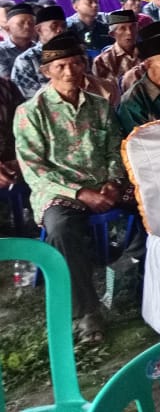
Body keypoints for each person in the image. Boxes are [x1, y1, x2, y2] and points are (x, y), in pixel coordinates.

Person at [15, 35, 143, 343]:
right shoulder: (31, 112)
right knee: (61, 227)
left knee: (149, 204)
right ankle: (86, 312)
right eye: (61, 66)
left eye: (76, 63)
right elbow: (36, 169)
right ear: (47, 71)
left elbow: (115, 150)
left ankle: (137, 278)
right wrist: (80, 193)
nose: (71, 71)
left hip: (104, 185)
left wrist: (113, 183)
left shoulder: (99, 106)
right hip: (61, 192)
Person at [13, 5, 69, 99]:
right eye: (54, 26)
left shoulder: (75, 54)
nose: (60, 30)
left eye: (63, 26)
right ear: (39, 30)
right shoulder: (26, 60)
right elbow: (31, 98)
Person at [91, 10, 139, 89]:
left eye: (132, 27)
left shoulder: (149, 52)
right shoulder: (102, 61)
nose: (129, 32)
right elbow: (103, 91)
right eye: (123, 28)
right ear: (112, 34)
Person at [0, 3, 36, 79]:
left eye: (31, 23)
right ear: (7, 28)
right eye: (21, 23)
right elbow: (6, 80)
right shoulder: (2, 50)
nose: (27, 26)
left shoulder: (39, 49)